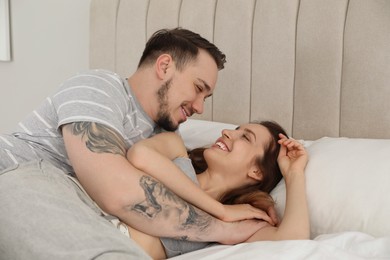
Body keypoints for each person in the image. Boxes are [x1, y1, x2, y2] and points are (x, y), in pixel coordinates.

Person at [0, 28, 271, 260]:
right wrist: (221, 224)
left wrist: (292, 174)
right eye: (198, 88)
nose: (200, 106)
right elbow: (115, 190)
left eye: (206, 97)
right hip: (13, 174)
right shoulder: (99, 87)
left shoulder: (162, 141)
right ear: (164, 66)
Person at [116, 121, 310, 258]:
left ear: (257, 171)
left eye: (245, 137)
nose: (226, 132)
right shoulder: (176, 149)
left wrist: (294, 174)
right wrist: (220, 211)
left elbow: (293, 241)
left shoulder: (241, 222)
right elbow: (139, 155)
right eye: (236, 129)